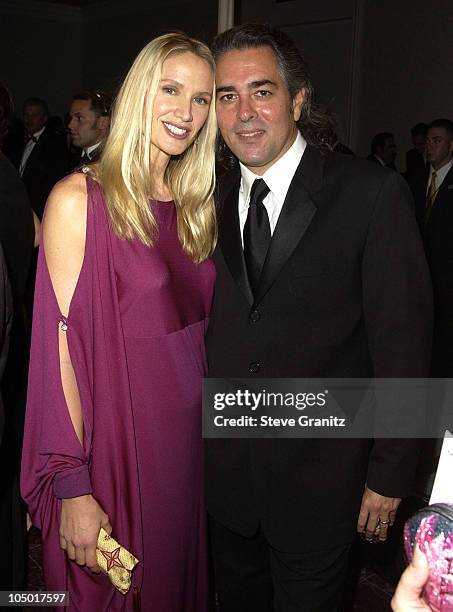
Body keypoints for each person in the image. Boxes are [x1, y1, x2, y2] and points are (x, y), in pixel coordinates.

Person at [205, 23, 432, 612]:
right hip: (226, 487)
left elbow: (405, 345)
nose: (245, 112)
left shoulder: (370, 194)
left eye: (262, 90)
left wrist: (389, 475)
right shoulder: (202, 202)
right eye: (227, 96)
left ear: (298, 99)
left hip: (323, 484)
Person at [21, 32, 217, 611]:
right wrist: (73, 484)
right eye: (171, 90)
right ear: (138, 93)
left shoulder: (196, 206)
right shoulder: (79, 200)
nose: (186, 112)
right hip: (115, 450)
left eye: (203, 99)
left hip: (187, 457)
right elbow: (56, 352)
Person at [19, 97, 69, 219]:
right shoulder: (17, 139)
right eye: (26, 115)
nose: (29, 120)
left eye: (34, 115)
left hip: (38, 212)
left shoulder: (53, 145)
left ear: (44, 118)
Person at [67, 90, 112, 168]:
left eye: (79, 118)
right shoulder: (70, 157)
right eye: (70, 118)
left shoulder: (112, 163)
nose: (70, 125)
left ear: (103, 122)